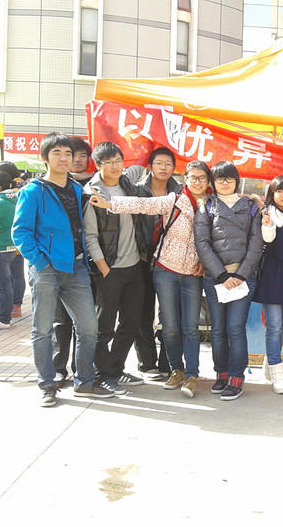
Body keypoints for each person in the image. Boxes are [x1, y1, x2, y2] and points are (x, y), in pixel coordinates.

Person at [89, 160, 211, 398]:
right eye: (192, 177)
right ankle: (177, 370)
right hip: (166, 270)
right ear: (185, 179)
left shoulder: (211, 205)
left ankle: (192, 375)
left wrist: (205, 263)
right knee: (170, 327)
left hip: (193, 274)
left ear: (208, 181)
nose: (197, 182)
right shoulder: (174, 200)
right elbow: (142, 204)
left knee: (190, 328)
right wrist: (110, 204)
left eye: (202, 178)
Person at [12, 132, 114, 407]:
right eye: (56, 153)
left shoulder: (77, 189)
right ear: (44, 158)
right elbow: (20, 232)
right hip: (46, 270)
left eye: (68, 153)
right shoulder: (34, 190)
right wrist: (40, 262)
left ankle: (85, 382)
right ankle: (47, 385)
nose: (64, 158)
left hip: (76, 267)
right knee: (42, 330)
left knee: (88, 328)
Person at [83, 142, 150, 395]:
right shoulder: (92, 192)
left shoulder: (126, 183)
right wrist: (104, 268)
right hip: (109, 269)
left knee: (131, 322)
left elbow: (141, 162)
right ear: (98, 165)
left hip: (134, 266)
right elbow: (90, 236)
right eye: (109, 162)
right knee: (105, 326)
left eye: (119, 161)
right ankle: (102, 375)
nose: (115, 166)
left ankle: (115, 369)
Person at [194, 162, 262, 401]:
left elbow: (256, 243)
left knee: (235, 328)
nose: (225, 183)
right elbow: (202, 243)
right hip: (216, 279)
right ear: (213, 182)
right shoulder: (206, 207)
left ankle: (236, 377)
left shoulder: (251, 207)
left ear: (237, 181)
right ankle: (221, 372)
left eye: (229, 178)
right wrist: (222, 275)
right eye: (220, 179)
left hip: (243, 279)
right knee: (218, 329)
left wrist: (240, 275)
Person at [131, 147, 183, 379]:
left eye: (168, 164)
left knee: (169, 312)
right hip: (140, 258)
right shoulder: (136, 190)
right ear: (150, 166)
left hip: (170, 261)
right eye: (159, 163)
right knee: (143, 310)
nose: (163, 168)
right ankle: (147, 363)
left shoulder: (180, 192)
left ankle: (167, 362)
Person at [51, 137, 95, 383]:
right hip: (57, 263)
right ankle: (58, 368)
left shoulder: (94, 185)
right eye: (71, 154)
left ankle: (82, 370)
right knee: (60, 320)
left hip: (86, 263)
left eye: (82, 155)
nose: (76, 160)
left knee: (85, 322)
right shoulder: (52, 185)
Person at [254, 175, 283, 394]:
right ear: (272, 194)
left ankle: (270, 365)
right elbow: (267, 241)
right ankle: (276, 371)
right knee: (274, 326)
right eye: (279, 191)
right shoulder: (267, 215)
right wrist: (268, 226)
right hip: (272, 275)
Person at [0, 171, 19, 330]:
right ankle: (3, 312)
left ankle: (4, 318)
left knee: (2, 285)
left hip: (0, 247)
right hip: (11, 246)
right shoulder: (16, 199)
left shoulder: (0, 202)